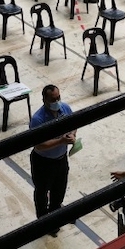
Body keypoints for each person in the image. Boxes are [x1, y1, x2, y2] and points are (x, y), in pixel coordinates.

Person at [29, 85, 76, 233]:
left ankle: (55, 215)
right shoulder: (38, 119)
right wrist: (61, 141)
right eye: (53, 99)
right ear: (45, 100)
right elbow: (39, 145)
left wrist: (72, 134)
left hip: (61, 160)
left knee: (59, 189)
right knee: (42, 193)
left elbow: (75, 124)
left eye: (58, 98)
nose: (57, 101)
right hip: (43, 163)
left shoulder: (65, 109)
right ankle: (43, 222)